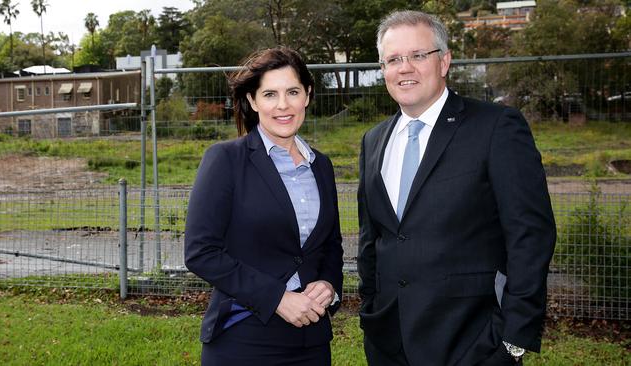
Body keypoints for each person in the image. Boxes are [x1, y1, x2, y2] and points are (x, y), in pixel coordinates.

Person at [357, 10, 556, 366]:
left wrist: (513, 338)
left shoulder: (496, 128)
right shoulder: (373, 141)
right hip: (388, 342)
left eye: (418, 55)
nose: (405, 68)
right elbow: (372, 238)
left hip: (472, 342)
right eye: (394, 59)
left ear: (444, 61)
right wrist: (370, 307)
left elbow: (531, 234)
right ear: (383, 68)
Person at [184, 47, 344, 366]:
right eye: (270, 94)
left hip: (312, 341)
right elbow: (201, 251)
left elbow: (331, 246)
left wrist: (328, 286)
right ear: (254, 101)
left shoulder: (321, 166)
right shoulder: (226, 160)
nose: (282, 105)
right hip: (245, 337)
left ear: (307, 96)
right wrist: (278, 299)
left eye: (293, 92)